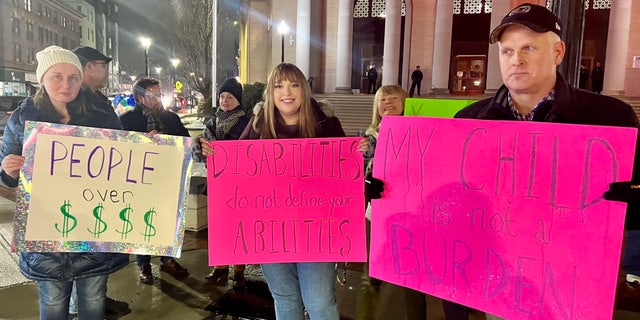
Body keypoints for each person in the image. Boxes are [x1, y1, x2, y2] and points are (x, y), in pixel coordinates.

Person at [446, 3, 640, 320]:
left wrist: (631, 196)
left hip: (571, 284)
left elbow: (634, 200)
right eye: (506, 51)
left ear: (558, 52)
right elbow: (452, 196)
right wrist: (391, 190)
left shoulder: (610, 118)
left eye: (528, 48)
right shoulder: (468, 121)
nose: (516, 60)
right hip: (498, 280)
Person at [201, 63, 345, 319]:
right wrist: (210, 153)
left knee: (320, 302)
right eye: (279, 86)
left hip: (317, 232)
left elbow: (347, 174)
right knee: (285, 299)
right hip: (271, 232)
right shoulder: (258, 124)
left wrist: (361, 152)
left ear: (304, 89)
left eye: (294, 84)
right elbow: (235, 167)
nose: (286, 92)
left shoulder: (326, 123)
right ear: (271, 91)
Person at [0, 45, 129, 320]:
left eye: (73, 77)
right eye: (57, 76)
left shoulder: (102, 115)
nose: (66, 84)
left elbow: (124, 162)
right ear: (42, 79)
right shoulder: (23, 118)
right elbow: (6, 174)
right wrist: (9, 169)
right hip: (46, 230)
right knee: (53, 301)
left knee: (93, 299)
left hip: (94, 226)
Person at [356, 85, 427, 320]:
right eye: (382, 99)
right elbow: (355, 174)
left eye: (394, 98)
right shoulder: (368, 138)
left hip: (413, 214)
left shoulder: (422, 133)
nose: (387, 102)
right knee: (371, 276)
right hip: (376, 214)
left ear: (406, 102)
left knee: (413, 280)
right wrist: (363, 171)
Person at [70, 45, 130, 320]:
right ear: (88, 67)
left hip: (104, 187)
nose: (106, 70)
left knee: (97, 251)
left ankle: (96, 298)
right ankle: (79, 306)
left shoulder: (98, 99)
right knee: (82, 252)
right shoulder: (77, 100)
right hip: (85, 190)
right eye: (102, 65)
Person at [119, 77, 190, 284]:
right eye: (153, 95)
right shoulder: (127, 120)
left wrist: (167, 139)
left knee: (167, 221)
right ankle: (144, 264)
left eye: (159, 93)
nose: (158, 98)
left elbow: (186, 143)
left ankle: (168, 259)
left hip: (167, 178)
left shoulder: (171, 118)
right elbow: (120, 150)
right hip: (139, 181)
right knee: (143, 222)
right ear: (140, 97)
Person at [193, 77, 250, 289]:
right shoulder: (212, 122)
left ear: (238, 100)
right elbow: (200, 148)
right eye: (222, 96)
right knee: (218, 228)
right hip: (217, 184)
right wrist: (201, 147)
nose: (225, 100)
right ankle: (220, 267)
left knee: (238, 228)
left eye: (230, 97)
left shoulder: (248, 122)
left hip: (240, 185)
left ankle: (239, 270)